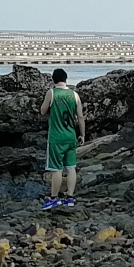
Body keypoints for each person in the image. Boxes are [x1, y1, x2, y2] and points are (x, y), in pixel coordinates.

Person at [39, 67, 84, 209]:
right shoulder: (74, 95)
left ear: (53, 80)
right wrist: (82, 134)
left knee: (56, 169)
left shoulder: (51, 93)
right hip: (71, 136)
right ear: (66, 79)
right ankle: (70, 198)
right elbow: (80, 117)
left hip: (56, 137)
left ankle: (54, 198)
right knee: (71, 168)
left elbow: (43, 110)